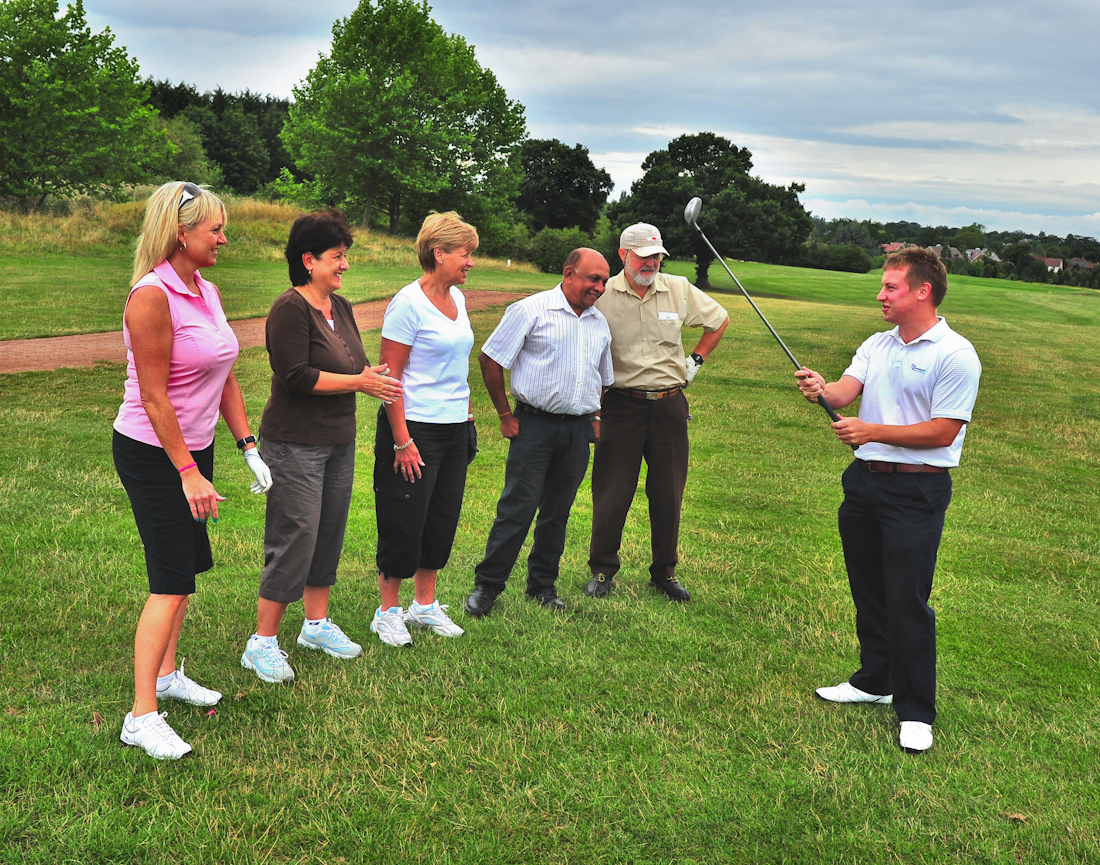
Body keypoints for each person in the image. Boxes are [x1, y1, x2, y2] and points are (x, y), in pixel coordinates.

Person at [795, 247, 981, 754]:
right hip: (864, 483)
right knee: (870, 590)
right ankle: (875, 680)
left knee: (906, 599)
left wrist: (872, 430)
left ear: (923, 291)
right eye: (882, 286)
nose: (880, 295)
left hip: (917, 490)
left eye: (890, 287)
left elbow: (944, 431)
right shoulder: (878, 343)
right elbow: (843, 393)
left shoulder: (955, 354)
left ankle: (916, 710)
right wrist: (821, 389)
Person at [113, 181, 273, 760]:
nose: (224, 239)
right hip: (153, 451)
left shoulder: (207, 289)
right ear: (182, 234)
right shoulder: (150, 297)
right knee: (169, 579)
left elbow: (223, 372)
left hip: (192, 449)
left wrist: (247, 445)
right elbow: (153, 396)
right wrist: (186, 471)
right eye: (216, 230)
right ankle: (140, 716)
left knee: (185, 570)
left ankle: (164, 677)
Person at [240, 211, 402, 684]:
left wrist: (371, 378)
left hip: (338, 441)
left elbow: (355, 364)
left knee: (327, 533)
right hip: (295, 444)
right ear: (308, 260)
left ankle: (315, 625)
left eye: (345, 256)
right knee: (295, 537)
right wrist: (359, 382)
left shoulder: (341, 306)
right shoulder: (289, 309)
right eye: (337, 257)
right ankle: (262, 643)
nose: (344, 265)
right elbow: (296, 376)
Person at [465, 248, 614, 617]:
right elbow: (490, 359)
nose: (599, 287)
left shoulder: (599, 323)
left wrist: (596, 416)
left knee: (557, 513)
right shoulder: (530, 310)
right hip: (534, 426)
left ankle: (542, 586)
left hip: (577, 431)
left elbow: (602, 377)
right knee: (517, 508)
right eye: (593, 279)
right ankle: (488, 585)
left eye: (604, 281)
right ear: (569, 273)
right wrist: (504, 415)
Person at [586, 223, 729, 602]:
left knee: (668, 493)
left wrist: (695, 361)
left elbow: (719, 320)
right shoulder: (603, 294)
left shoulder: (678, 288)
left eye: (657, 257)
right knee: (612, 491)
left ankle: (664, 572)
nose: (651, 264)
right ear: (623, 255)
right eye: (644, 257)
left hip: (669, 406)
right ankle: (602, 570)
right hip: (620, 406)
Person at [371, 211, 478, 647]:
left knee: (440, 519)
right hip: (413, 429)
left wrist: (466, 415)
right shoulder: (407, 304)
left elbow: (457, 364)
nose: (471, 262)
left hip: (454, 429)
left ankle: (424, 605)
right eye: (465, 253)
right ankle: (387, 612)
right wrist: (402, 441)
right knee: (404, 519)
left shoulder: (459, 299)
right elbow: (389, 379)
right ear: (439, 253)